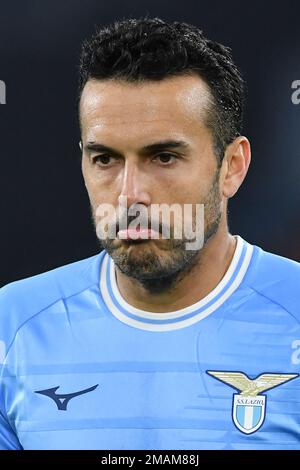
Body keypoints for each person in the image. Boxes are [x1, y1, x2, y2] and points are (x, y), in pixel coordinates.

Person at [0, 16, 299, 451]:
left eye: (163, 157)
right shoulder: (13, 327)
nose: (130, 195)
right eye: (105, 159)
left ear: (231, 167)